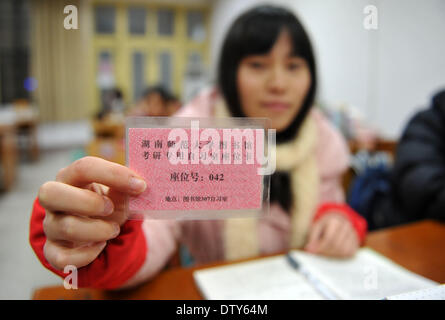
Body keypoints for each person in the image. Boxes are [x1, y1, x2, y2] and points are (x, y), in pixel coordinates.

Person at [29, 5, 367, 290]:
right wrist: (99, 236)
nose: (278, 84)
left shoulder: (322, 139)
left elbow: (331, 202)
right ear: (229, 73)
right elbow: (156, 230)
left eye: (293, 66)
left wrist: (337, 221)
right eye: (258, 65)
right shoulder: (192, 133)